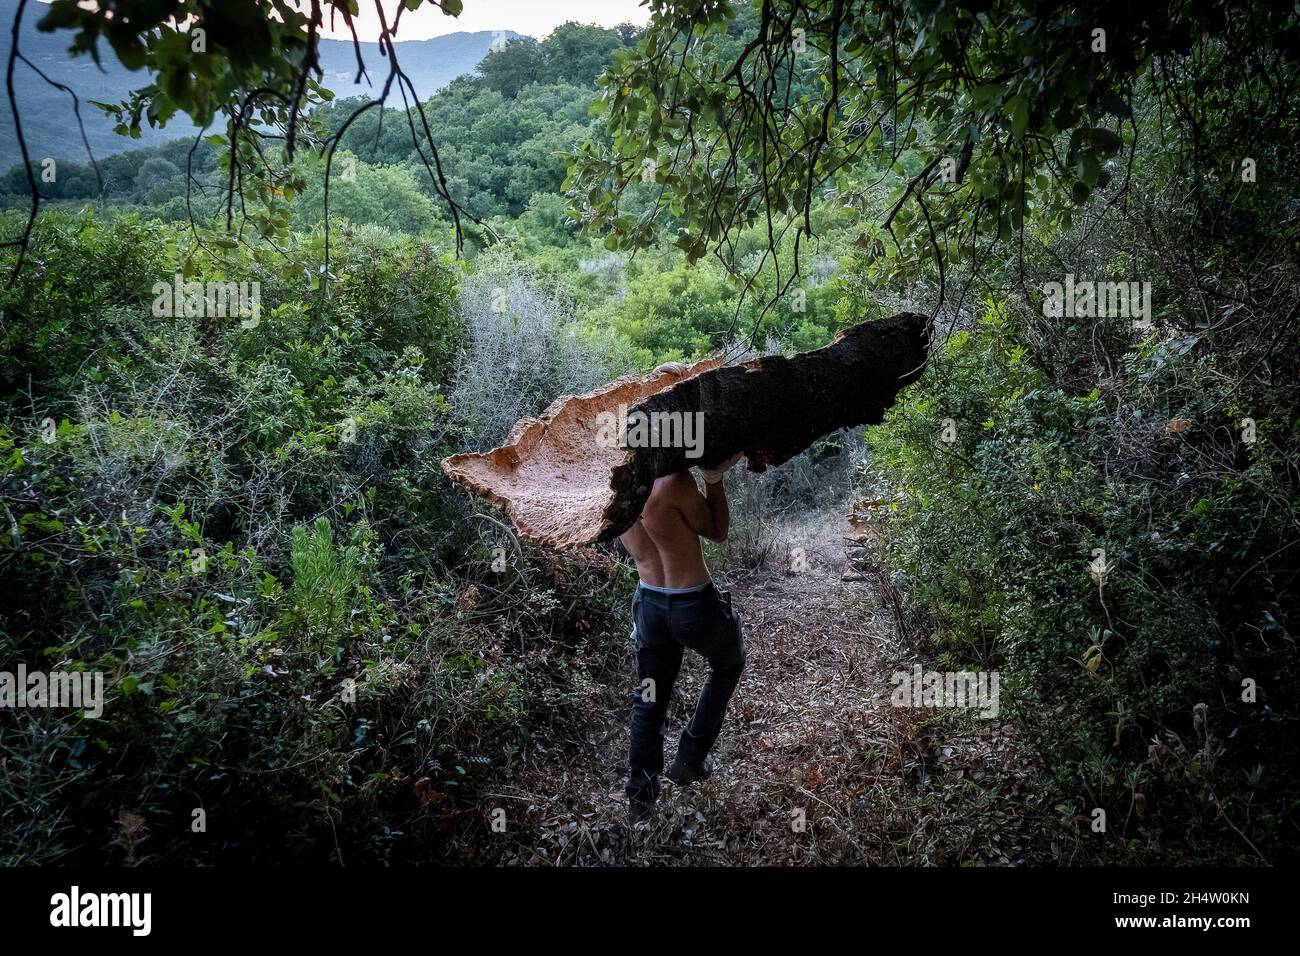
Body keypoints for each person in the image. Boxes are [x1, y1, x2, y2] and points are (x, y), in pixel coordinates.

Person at [618, 367, 746, 822]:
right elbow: (718, 531)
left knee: (649, 699)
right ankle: (690, 757)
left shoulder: (615, 488)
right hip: (692, 603)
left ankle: (640, 799)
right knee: (729, 662)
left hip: (649, 603)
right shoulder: (673, 483)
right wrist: (714, 477)